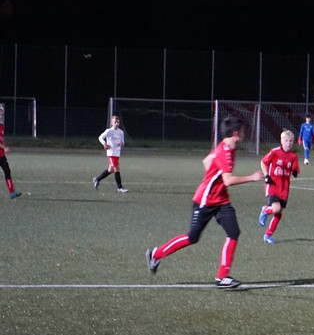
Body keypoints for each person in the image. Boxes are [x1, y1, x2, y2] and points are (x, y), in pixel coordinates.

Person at [145, 115, 264, 289]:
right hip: (205, 201)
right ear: (236, 134)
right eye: (243, 132)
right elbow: (228, 180)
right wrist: (251, 177)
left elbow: (207, 161)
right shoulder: (225, 152)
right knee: (192, 237)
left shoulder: (226, 148)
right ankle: (156, 253)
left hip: (221, 200)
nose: (245, 136)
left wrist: (213, 179)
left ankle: (222, 277)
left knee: (233, 232)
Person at [258, 129, 300, 244]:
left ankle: (268, 235)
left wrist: (295, 172)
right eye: (286, 140)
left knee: (279, 212)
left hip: (284, 188)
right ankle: (265, 210)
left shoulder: (293, 156)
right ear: (281, 141)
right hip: (273, 185)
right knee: (276, 208)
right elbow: (263, 162)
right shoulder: (274, 152)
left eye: (290, 141)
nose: (288, 143)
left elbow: (295, 169)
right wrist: (266, 175)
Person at [93, 114, 128, 193]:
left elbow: (122, 142)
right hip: (111, 153)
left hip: (117, 153)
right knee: (117, 169)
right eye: (115, 122)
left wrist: (122, 143)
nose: (117, 124)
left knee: (111, 170)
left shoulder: (121, 132)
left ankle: (97, 179)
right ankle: (120, 187)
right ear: (112, 123)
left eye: (118, 122)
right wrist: (104, 144)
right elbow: (100, 137)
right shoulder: (109, 131)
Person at [0, 104, 21, 199]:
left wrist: (4, 146)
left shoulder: (2, 126)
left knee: (7, 171)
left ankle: (12, 192)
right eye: (0, 114)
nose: (1, 116)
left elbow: (1, 139)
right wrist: (4, 147)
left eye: (2, 115)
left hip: (1, 155)